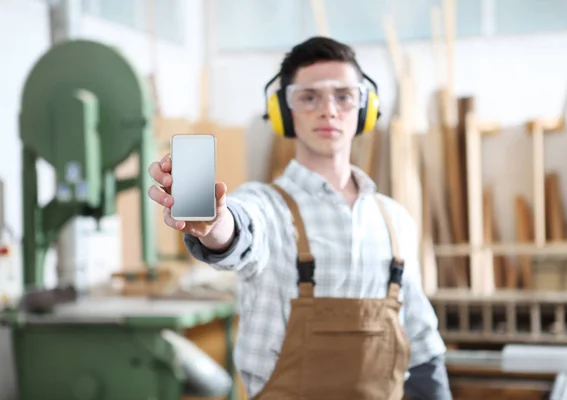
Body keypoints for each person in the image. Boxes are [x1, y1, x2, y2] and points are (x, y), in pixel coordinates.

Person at [148, 36, 452, 399]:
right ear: (284, 111)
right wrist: (214, 226)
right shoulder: (267, 207)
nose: (328, 110)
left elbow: (420, 341)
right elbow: (242, 231)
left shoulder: (394, 219)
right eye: (309, 97)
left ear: (365, 108)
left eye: (343, 95)